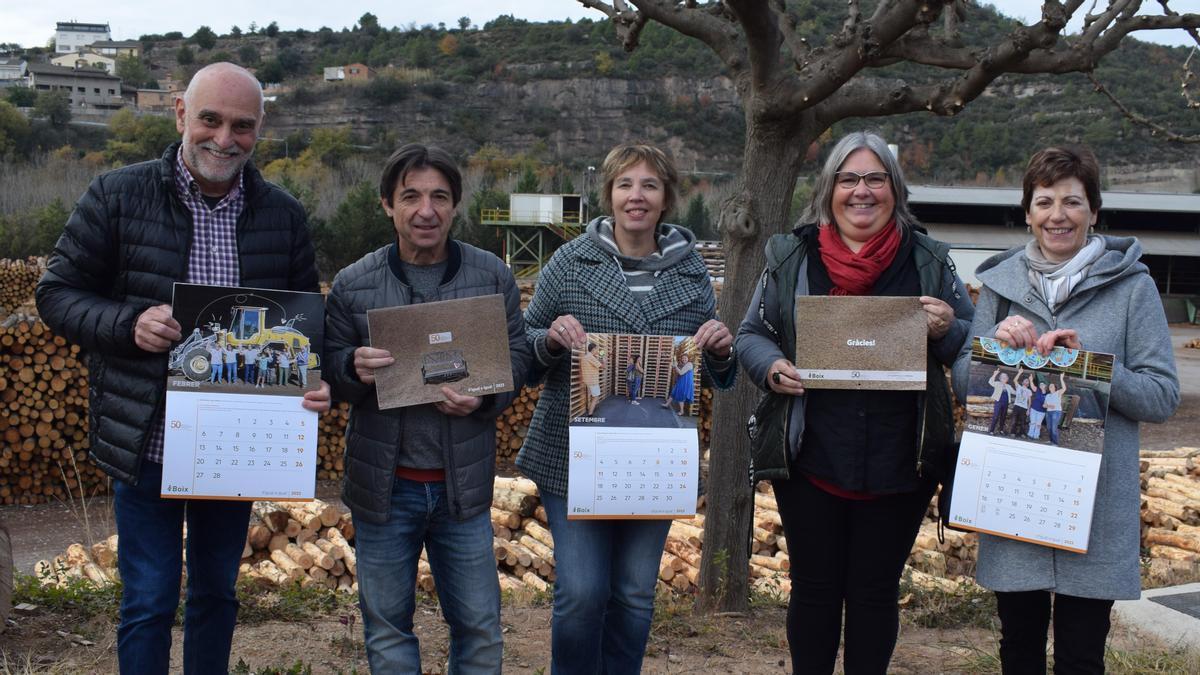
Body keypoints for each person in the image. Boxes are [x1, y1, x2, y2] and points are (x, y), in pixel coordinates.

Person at [35, 62, 330, 675]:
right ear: (179, 114)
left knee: (218, 594)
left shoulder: (283, 214)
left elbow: (303, 324)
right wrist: (128, 325)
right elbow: (56, 294)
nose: (225, 139)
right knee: (147, 600)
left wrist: (312, 379)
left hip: (235, 446)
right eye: (211, 120)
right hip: (146, 440)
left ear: (259, 129)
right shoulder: (118, 195)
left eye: (242, 126)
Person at [735, 131, 974, 674]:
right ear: (829, 189)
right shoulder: (791, 255)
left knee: (874, 593)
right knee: (814, 591)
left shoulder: (930, 260)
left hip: (900, 460)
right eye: (848, 179)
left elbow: (970, 343)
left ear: (895, 188)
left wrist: (947, 329)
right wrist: (772, 367)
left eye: (875, 178)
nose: (861, 191)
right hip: (811, 455)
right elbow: (753, 333)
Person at [952, 145, 1179, 674]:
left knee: (1082, 655)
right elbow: (966, 382)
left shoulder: (1133, 288)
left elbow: (1161, 395)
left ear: (1094, 211)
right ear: (1028, 212)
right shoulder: (1002, 285)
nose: (1059, 215)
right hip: (1016, 497)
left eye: (1073, 202)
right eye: (1045, 201)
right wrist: (996, 350)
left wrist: (1088, 366)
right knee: (1018, 650)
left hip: (1093, 506)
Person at [519, 142, 735, 673]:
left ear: (666, 199)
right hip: (575, 455)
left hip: (654, 456)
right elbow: (522, 346)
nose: (636, 196)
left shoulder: (691, 275)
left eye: (649, 186)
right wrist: (549, 339)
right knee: (582, 593)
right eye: (625, 185)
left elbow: (709, 376)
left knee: (636, 593)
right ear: (609, 194)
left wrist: (723, 350)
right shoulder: (571, 262)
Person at [323, 143, 530, 674]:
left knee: (481, 630)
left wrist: (486, 398)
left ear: (455, 205)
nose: (426, 210)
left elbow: (517, 358)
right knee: (389, 630)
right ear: (387, 205)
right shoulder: (353, 284)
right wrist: (351, 365)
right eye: (410, 196)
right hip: (385, 489)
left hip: (462, 488)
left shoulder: (491, 277)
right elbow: (329, 371)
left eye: (439, 196)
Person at [987, 367, 1015, 434]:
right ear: (1000, 378)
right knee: (996, 416)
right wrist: (995, 374)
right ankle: (991, 430)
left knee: (1003, 417)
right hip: (998, 402)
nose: (1004, 378)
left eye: (1006, 377)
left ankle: (1001, 430)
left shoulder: (1008, 386)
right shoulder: (997, 383)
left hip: (1005, 403)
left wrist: (1021, 391)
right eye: (1003, 376)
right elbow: (990, 382)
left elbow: (1015, 392)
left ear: (1007, 379)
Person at [579, 342, 604, 415]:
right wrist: (602, 357)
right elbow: (603, 367)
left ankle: (591, 408)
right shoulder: (591, 357)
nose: (598, 351)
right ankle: (590, 413)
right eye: (597, 349)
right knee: (596, 396)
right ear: (593, 349)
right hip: (592, 381)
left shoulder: (585, 357)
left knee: (593, 395)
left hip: (587, 380)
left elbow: (594, 364)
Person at [1007, 369, 1032, 438]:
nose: (1026, 381)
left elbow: (1029, 401)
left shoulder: (1029, 391)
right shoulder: (1019, 387)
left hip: (1024, 408)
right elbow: (1015, 380)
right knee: (1014, 420)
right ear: (1022, 382)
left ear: (1028, 384)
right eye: (1025, 380)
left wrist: (1028, 409)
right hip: (1017, 406)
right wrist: (1019, 372)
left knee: (1023, 422)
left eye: (1028, 381)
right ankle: (1013, 432)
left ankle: (1022, 433)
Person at [1043, 373, 1067, 445]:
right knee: (1049, 427)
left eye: (1052, 386)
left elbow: (1064, 388)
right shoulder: (1047, 395)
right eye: (1050, 386)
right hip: (1048, 412)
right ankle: (1051, 441)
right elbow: (1044, 405)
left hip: (1056, 412)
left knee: (1054, 428)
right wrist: (1049, 406)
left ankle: (1055, 443)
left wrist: (1061, 378)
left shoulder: (1057, 393)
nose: (1050, 386)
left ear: (1055, 388)